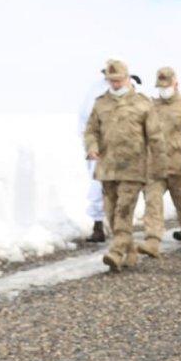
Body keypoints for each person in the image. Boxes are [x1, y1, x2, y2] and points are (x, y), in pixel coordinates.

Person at [83, 59, 167, 272]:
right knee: (111, 213)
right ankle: (129, 252)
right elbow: (91, 130)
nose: (116, 84)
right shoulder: (100, 103)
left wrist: (159, 166)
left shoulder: (142, 103)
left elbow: (156, 137)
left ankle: (116, 251)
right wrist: (92, 147)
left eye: (119, 80)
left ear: (128, 79)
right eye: (112, 81)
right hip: (108, 168)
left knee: (123, 211)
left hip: (134, 168)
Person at [149, 67, 181, 251]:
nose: (163, 90)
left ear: (175, 84)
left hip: (179, 166)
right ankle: (152, 240)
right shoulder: (151, 107)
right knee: (152, 204)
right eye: (160, 86)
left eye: (166, 86)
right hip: (156, 166)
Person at [78, 67, 110, 242]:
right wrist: (89, 146)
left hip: (125, 152)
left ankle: (123, 235)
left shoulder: (130, 90)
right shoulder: (95, 91)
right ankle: (98, 226)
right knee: (97, 188)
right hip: (99, 150)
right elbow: (85, 121)